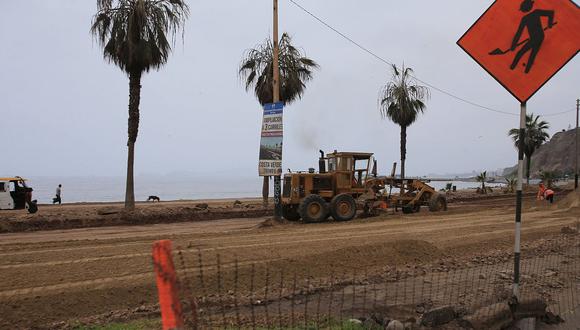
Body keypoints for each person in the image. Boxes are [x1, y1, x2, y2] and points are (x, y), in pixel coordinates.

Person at [509, 0, 555, 74]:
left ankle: (513, 67)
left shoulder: (530, 16)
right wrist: (513, 45)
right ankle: (524, 70)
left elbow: (551, 13)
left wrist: (550, 24)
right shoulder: (530, 16)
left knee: (522, 52)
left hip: (537, 37)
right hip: (537, 37)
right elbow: (519, 33)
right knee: (532, 54)